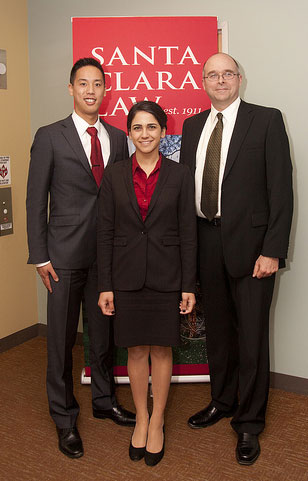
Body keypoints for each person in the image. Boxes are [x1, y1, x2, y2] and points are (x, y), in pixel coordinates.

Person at [180, 53, 293, 465]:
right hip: (205, 240)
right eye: (213, 74)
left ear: (240, 78)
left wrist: (273, 250)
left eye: (228, 73)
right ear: (203, 81)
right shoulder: (192, 126)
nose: (221, 80)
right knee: (220, 334)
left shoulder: (266, 120)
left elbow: (282, 189)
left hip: (253, 250)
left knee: (251, 338)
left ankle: (248, 422)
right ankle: (221, 401)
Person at [26, 57, 135, 459]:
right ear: (71, 89)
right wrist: (39, 255)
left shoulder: (118, 138)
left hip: (106, 257)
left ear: (106, 91)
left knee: (103, 335)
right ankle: (64, 417)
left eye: (98, 84)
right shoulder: (49, 136)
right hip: (62, 257)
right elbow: (36, 200)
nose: (91, 90)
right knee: (59, 340)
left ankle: (104, 401)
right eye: (83, 83)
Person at [97, 101, 197, 466]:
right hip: (125, 276)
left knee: (162, 350)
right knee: (136, 350)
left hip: (167, 276)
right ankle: (141, 416)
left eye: (151, 127)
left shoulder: (181, 174)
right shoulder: (114, 174)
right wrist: (105, 285)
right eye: (137, 128)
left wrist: (188, 284)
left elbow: (189, 233)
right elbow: (105, 232)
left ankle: (158, 422)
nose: (145, 134)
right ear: (129, 133)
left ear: (163, 132)